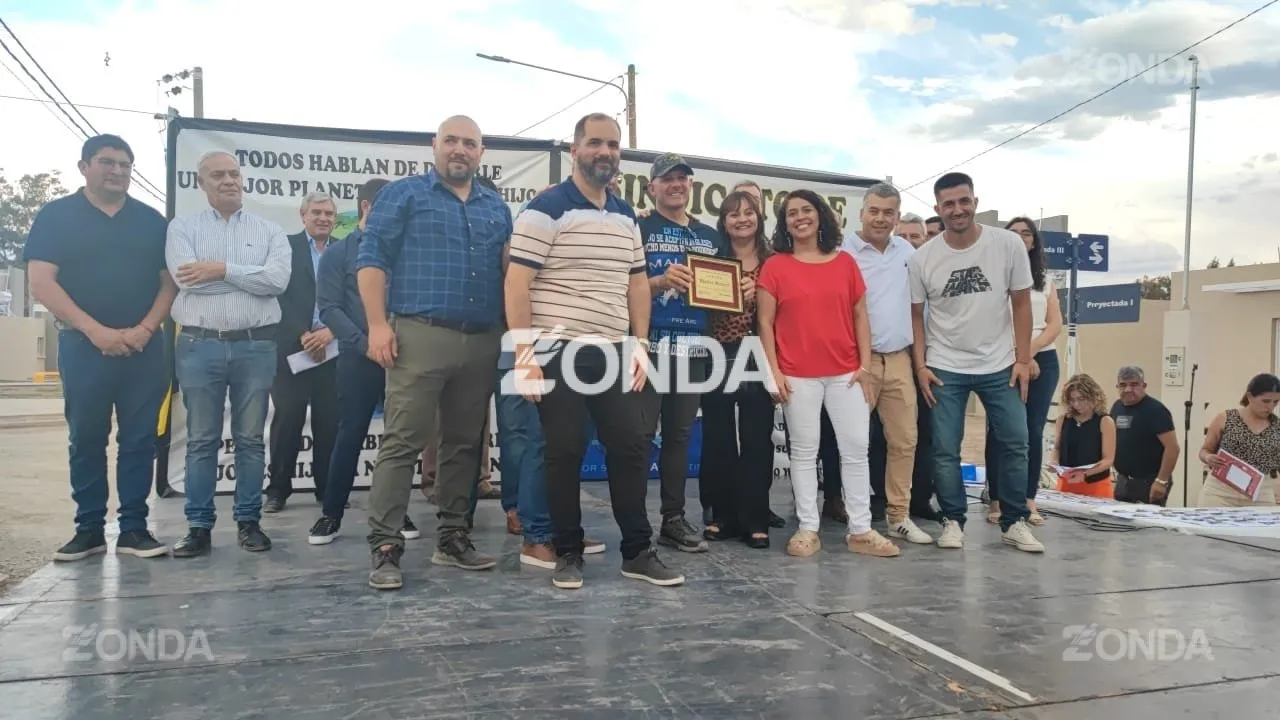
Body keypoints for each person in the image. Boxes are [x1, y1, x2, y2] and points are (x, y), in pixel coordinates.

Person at [505, 112, 682, 590]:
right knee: (564, 453)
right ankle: (567, 552)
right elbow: (517, 281)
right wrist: (524, 356)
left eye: (613, 145)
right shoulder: (545, 209)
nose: (605, 153)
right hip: (557, 349)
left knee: (630, 448)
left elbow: (637, 284)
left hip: (614, 352)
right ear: (575, 150)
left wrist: (640, 343)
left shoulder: (625, 215)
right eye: (596, 143)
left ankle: (637, 552)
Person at [358, 115, 509, 590]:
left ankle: (453, 537)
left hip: (483, 337)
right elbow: (372, 259)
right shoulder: (403, 195)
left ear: (481, 153)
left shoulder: (496, 207)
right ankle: (385, 546)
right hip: (418, 334)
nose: (460, 149)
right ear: (434, 146)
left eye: (470, 143)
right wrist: (378, 325)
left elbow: (511, 272)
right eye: (451, 141)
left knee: (464, 444)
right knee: (403, 441)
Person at [24, 134, 174, 561]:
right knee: (87, 437)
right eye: (107, 162)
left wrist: (146, 328)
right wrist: (95, 331)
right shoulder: (56, 216)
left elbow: (169, 282)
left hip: (145, 348)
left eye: (125, 165)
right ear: (84, 167)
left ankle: (134, 529)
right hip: (83, 347)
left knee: (140, 440)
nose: (118, 171)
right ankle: (89, 530)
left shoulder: (151, 221)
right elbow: (41, 282)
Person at [758, 189, 900, 559]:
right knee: (804, 453)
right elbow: (765, 323)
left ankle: (861, 530)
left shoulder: (845, 264)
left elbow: (860, 317)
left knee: (856, 450)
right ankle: (807, 529)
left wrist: (865, 366)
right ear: (784, 223)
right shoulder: (775, 267)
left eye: (807, 210)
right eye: (792, 213)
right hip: (797, 374)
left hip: (846, 374)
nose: (800, 217)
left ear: (821, 216)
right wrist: (774, 372)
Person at [909, 171, 1043, 553]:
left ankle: (1014, 522)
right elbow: (916, 316)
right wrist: (921, 365)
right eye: (948, 204)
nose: (957, 209)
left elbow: (1021, 303)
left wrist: (1022, 358)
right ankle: (953, 521)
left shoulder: (1007, 245)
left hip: (1000, 364)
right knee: (945, 449)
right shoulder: (923, 258)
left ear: (975, 202)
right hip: (946, 365)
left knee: (1016, 442)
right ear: (937, 209)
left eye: (963, 201)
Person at [166, 150, 292, 556]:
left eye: (234, 174)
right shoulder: (181, 229)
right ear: (201, 184)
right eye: (217, 175)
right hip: (199, 344)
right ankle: (199, 527)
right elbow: (188, 281)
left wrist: (220, 269)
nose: (228, 181)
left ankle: (249, 522)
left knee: (251, 440)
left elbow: (277, 282)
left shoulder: (270, 231)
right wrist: (245, 276)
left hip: (255, 345)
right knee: (202, 440)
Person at [307, 179, 419, 544]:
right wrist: (364, 342)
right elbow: (330, 308)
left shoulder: (404, 250)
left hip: (403, 358)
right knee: (350, 434)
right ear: (368, 208)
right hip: (358, 358)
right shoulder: (338, 255)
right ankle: (331, 515)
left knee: (399, 439)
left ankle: (396, 513)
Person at [638, 152, 728, 553]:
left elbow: (723, 290)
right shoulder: (637, 227)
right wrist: (658, 281)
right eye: (667, 178)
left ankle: (672, 519)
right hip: (648, 346)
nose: (676, 184)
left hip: (693, 349)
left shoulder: (710, 237)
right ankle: (633, 520)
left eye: (683, 179)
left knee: (678, 437)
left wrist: (736, 291)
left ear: (690, 186)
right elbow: (623, 284)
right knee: (638, 438)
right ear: (652, 187)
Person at [841, 183, 931, 544]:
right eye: (874, 211)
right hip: (855, 361)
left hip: (897, 360)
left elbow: (916, 311)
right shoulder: (842, 252)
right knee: (854, 444)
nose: (881, 218)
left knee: (905, 441)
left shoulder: (907, 252)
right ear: (861, 212)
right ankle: (857, 519)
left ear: (897, 215)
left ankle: (899, 517)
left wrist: (918, 362)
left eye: (888, 212)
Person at [699, 190, 775, 548]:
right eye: (733, 214)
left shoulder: (776, 262)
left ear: (759, 218)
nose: (741, 219)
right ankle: (724, 515)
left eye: (748, 212)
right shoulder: (711, 260)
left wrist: (756, 293)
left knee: (758, 437)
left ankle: (755, 517)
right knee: (719, 437)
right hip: (718, 352)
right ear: (723, 221)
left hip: (760, 353)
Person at [264, 192, 339, 513]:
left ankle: (327, 490)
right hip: (292, 349)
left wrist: (328, 333)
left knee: (330, 423)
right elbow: (277, 295)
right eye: (317, 212)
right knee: (287, 420)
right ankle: (278, 490)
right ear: (303, 215)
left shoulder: (343, 251)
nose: (323, 218)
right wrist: (304, 334)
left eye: (329, 214)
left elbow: (353, 297)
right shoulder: (285, 247)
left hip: (334, 350)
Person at [985, 217, 1063, 526]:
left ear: (1034, 241)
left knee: (1032, 431)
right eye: (1014, 233)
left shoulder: (1046, 281)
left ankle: (1028, 500)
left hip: (1043, 360)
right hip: (1004, 359)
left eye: (1026, 233)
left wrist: (1030, 352)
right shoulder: (993, 277)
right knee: (1002, 431)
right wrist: (1019, 355)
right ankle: (996, 499)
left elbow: (1056, 323)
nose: (1020, 238)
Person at [1199, 373, 1280, 507]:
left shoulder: (1277, 427)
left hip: (1259, 492)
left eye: (1275, 402)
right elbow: (1204, 450)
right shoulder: (1225, 418)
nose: (1270, 407)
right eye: (1265, 401)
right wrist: (1209, 458)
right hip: (1220, 491)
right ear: (1249, 396)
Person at [1111, 365, 1179, 506]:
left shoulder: (1156, 410)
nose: (1128, 389)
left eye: (1134, 384)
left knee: (1148, 525)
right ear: (1117, 386)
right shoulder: (1117, 407)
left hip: (1150, 481)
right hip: (1124, 480)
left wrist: (1161, 481)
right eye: (1123, 385)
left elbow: (1172, 448)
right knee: (1118, 524)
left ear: (1144, 385)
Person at [1052, 374, 1116, 498]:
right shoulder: (1063, 420)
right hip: (1066, 483)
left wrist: (1085, 473)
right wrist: (1054, 462)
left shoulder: (1105, 421)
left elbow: (1108, 460)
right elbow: (1057, 447)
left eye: (1081, 399)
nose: (1076, 404)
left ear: (1093, 397)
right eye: (1072, 400)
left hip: (1096, 485)